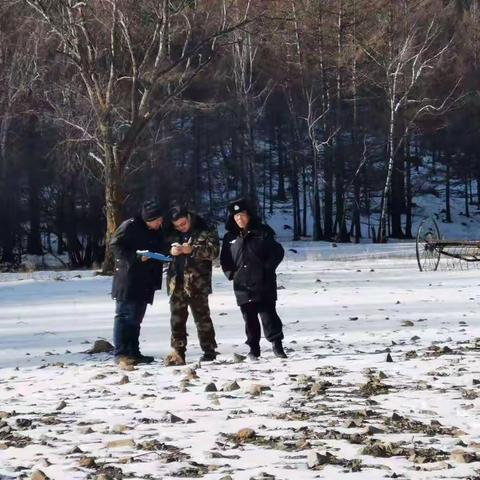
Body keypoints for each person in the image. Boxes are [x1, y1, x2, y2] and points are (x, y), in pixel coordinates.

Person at [220, 198, 287, 360]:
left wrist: (266, 269)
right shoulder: (230, 237)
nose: (239, 219)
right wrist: (232, 274)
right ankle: (254, 349)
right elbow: (225, 260)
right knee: (249, 319)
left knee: (268, 316)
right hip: (242, 285)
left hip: (264, 283)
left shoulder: (263, 231)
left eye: (242, 215)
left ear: (249, 215)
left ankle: (277, 346)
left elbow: (277, 252)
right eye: (236, 217)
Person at [110, 198, 166, 366]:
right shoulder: (130, 226)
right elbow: (115, 246)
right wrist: (135, 257)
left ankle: (134, 351)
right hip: (128, 279)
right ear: (148, 219)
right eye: (157, 221)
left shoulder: (157, 231)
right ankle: (121, 353)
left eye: (160, 220)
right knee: (124, 316)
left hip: (146, 280)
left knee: (136, 318)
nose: (160, 223)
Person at [163, 204, 219, 366]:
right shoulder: (171, 232)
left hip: (197, 282)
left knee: (202, 318)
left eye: (183, 224)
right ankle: (178, 352)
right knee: (177, 319)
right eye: (177, 226)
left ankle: (209, 350)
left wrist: (192, 250)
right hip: (176, 280)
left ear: (188, 217)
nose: (181, 228)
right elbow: (162, 247)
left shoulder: (204, 227)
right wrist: (170, 251)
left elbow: (214, 252)